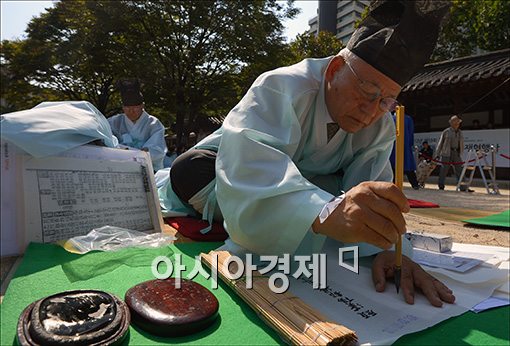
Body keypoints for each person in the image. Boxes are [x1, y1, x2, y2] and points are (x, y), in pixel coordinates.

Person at [161, 0, 454, 307]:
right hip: (218, 168)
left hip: (305, 185)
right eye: (367, 93)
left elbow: (369, 193)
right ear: (335, 69)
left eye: (386, 101)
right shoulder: (281, 87)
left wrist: (392, 250)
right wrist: (325, 211)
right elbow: (250, 169)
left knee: (334, 194)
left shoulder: (380, 122)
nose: (370, 112)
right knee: (196, 173)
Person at [108, 79, 167, 171]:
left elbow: (157, 149)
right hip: (121, 167)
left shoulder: (153, 123)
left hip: (147, 168)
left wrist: (141, 153)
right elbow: (107, 139)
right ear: (123, 107)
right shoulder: (115, 122)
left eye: (135, 108)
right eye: (127, 108)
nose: (131, 111)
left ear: (142, 106)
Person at [435, 115, 471, 191]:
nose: (457, 124)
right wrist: (437, 154)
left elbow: (460, 143)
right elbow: (440, 143)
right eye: (455, 122)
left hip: (456, 152)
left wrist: (460, 152)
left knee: (460, 170)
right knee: (444, 170)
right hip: (446, 153)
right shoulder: (446, 131)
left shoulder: (460, 132)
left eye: (458, 122)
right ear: (451, 123)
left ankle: (463, 187)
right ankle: (441, 185)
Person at [390, 113, 420, 189]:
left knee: (393, 165)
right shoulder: (407, 119)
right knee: (408, 165)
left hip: (393, 145)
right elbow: (411, 133)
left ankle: (393, 184)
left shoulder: (390, 118)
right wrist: (410, 144)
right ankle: (415, 184)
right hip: (405, 145)